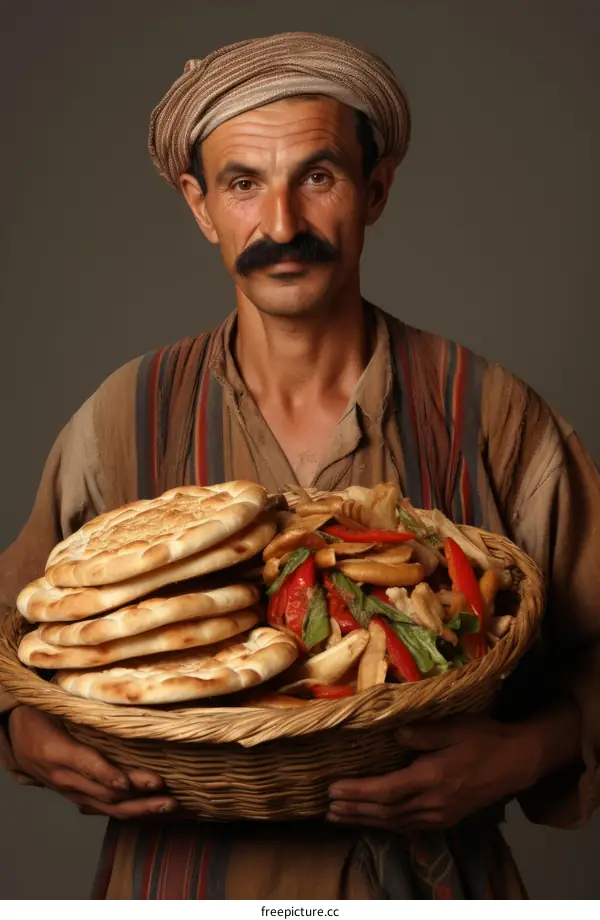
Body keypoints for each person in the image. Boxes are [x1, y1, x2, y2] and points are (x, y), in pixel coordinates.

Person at [0, 32, 598, 900]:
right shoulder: (124, 417)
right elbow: (14, 634)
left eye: (317, 177)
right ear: (200, 206)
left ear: (376, 189)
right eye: (244, 184)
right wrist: (19, 727)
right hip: (176, 888)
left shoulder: (491, 414)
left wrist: (523, 753)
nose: (281, 225)